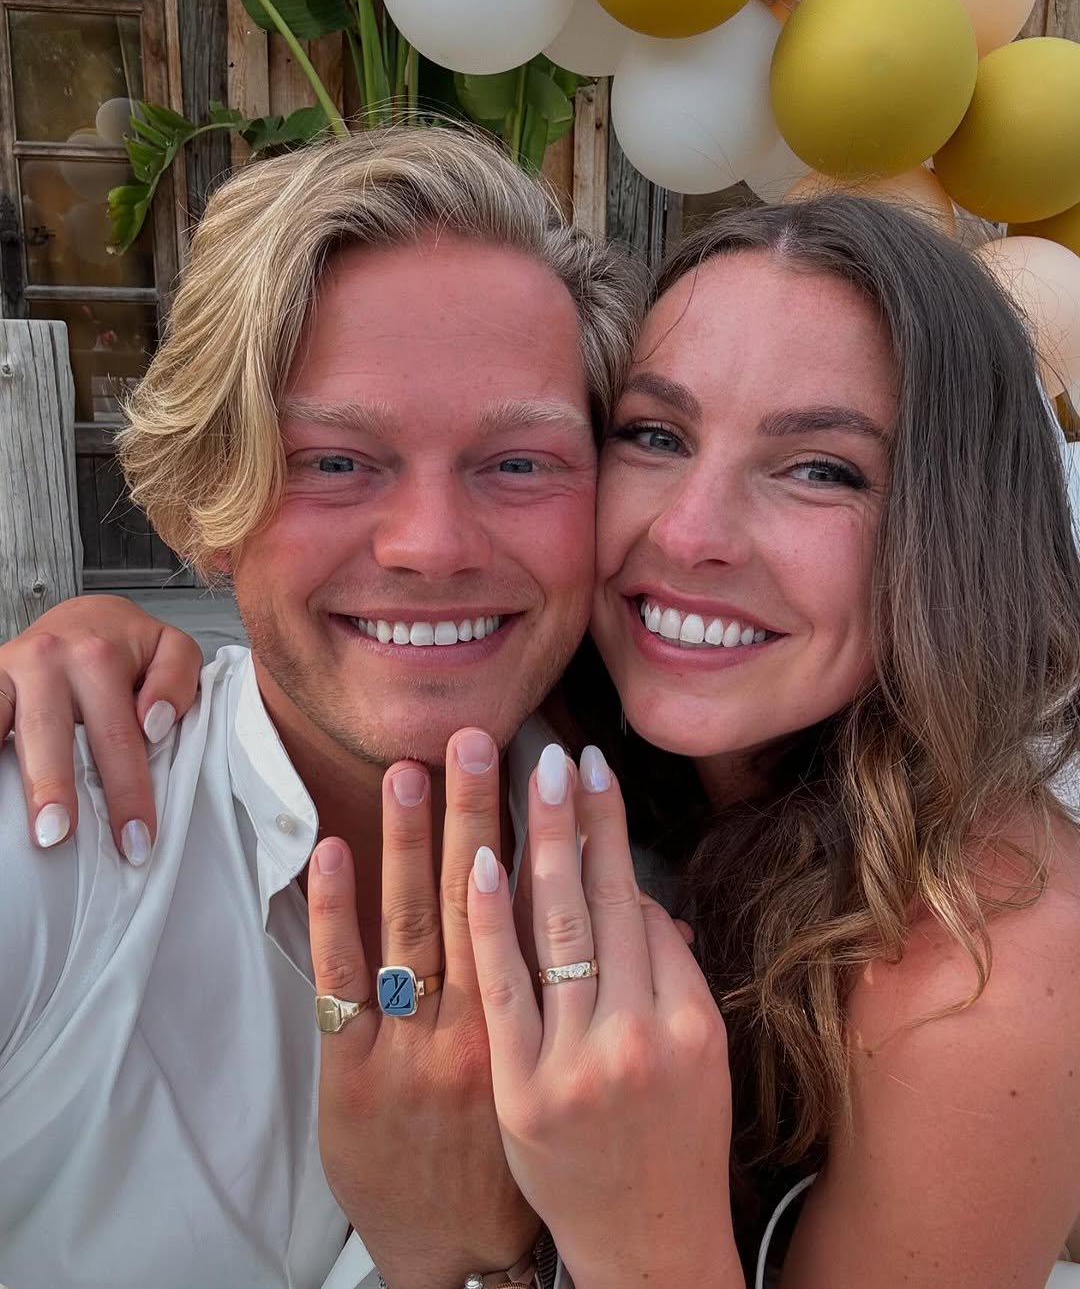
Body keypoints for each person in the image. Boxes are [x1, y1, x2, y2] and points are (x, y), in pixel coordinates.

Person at [5, 196, 1080, 1285]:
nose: (689, 534)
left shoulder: (985, 970)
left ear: (956, 532)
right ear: (214, 502)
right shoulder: (596, 741)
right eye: (656, 437)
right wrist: (84, 636)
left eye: (822, 468)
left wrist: (590, 1245)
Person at [0, 124, 688, 1289]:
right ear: (212, 500)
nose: (431, 548)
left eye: (519, 463)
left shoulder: (688, 875)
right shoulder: (41, 854)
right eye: (333, 461)